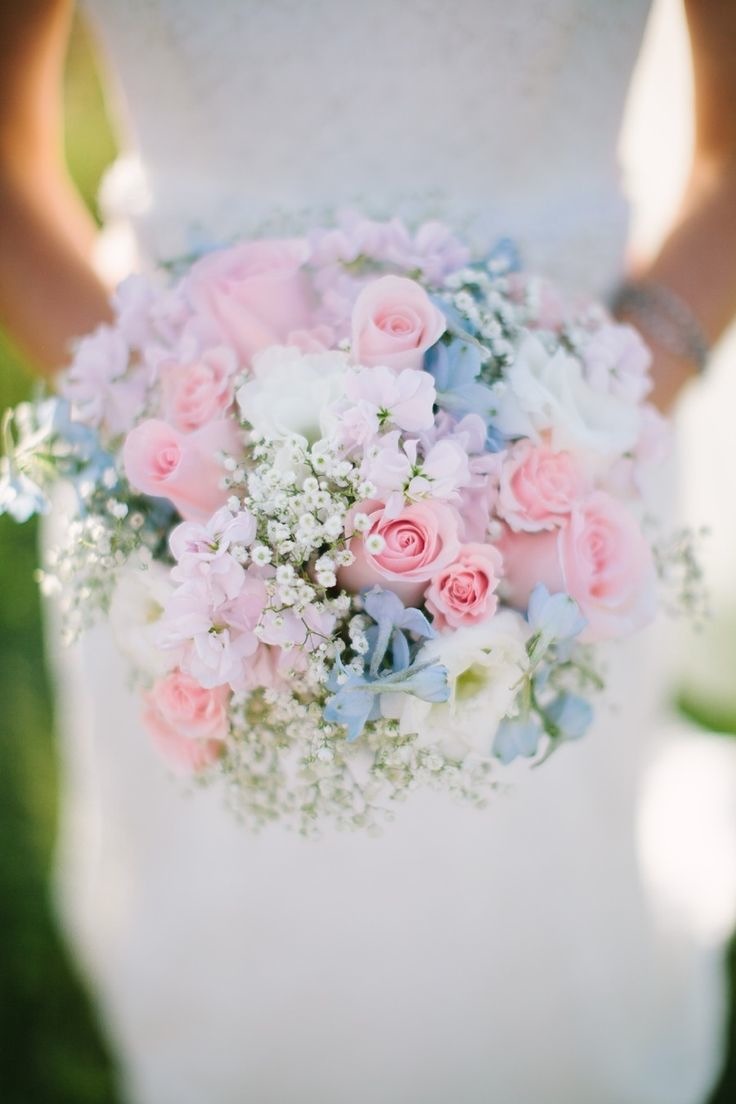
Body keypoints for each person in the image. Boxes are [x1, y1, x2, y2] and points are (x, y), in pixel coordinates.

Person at [1, 2, 736, 1102]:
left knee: (533, 937)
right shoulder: (186, 474)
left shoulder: (565, 462)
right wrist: (185, 454)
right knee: (241, 957)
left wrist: (581, 423)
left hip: (565, 483)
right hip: (192, 515)